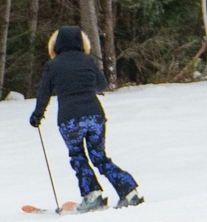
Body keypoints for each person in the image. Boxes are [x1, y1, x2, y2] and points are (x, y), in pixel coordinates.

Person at [28, 25, 144, 211]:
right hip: (95, 116)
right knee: (100, 158)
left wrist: (37, 115)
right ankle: (129, 191)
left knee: (78, 156)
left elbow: (44, 93)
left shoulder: (53, 65)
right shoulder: (88, 61)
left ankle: (93, 195)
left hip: (70, 119)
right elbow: (102, 85)